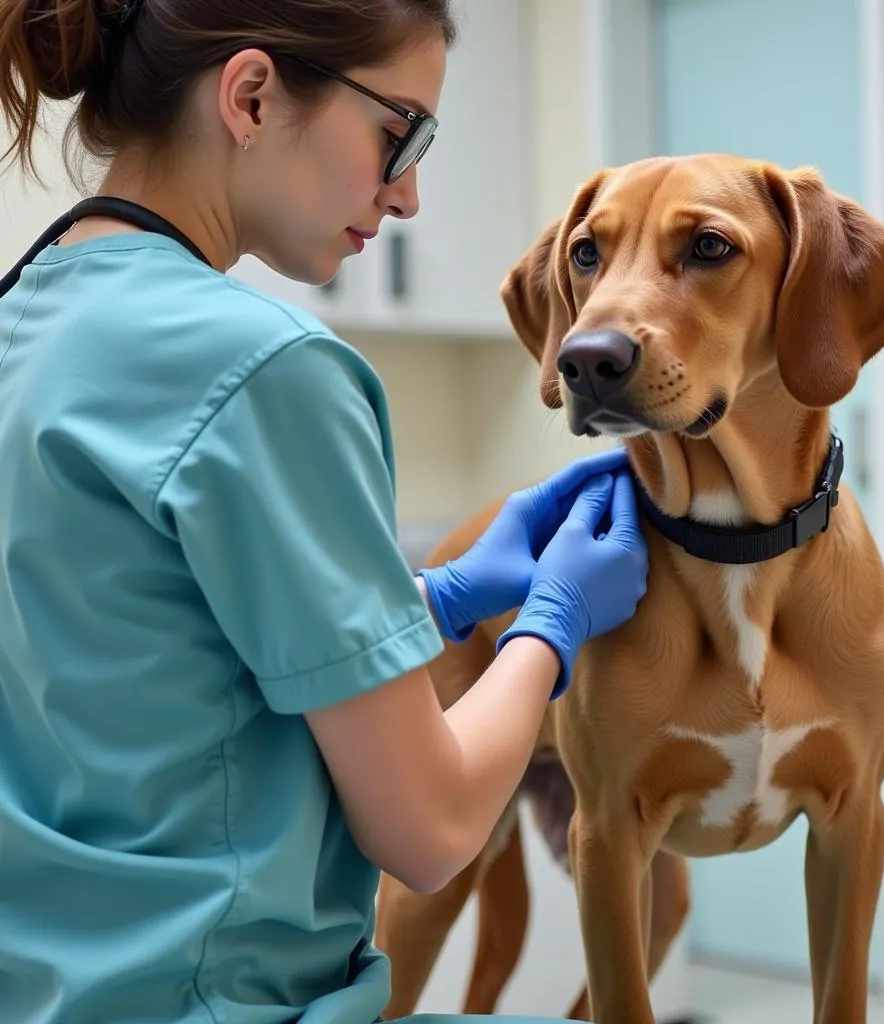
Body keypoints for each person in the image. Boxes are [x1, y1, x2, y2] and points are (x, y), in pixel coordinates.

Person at [0, 2, 650, 1023]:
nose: (410, 194)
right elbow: (430, 829)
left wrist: (425, 603)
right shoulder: (266, 371)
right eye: (401, 131)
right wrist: (549, 625)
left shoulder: (23, 322)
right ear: (250, 95)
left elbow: (139, 669)